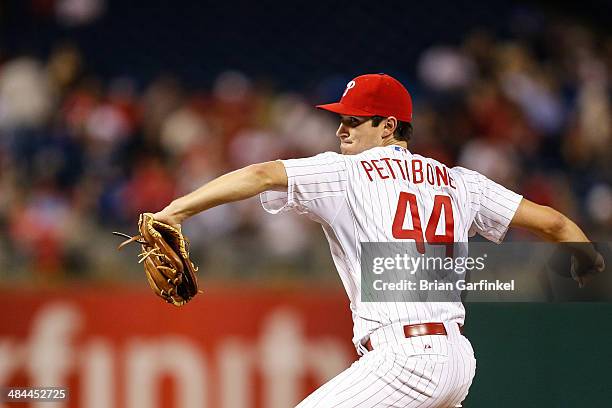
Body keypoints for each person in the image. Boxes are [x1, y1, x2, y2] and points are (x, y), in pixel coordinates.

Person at [152, 73, 604, 407]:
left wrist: (175, 211)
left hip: (405, 358)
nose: (340, 130)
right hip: (457, 360)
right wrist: (587, 261)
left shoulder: (348, 172)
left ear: (388, 127)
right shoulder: (459, 181)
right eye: (340, 120)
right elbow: (555, 224)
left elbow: (260, 174)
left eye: (353, 121)